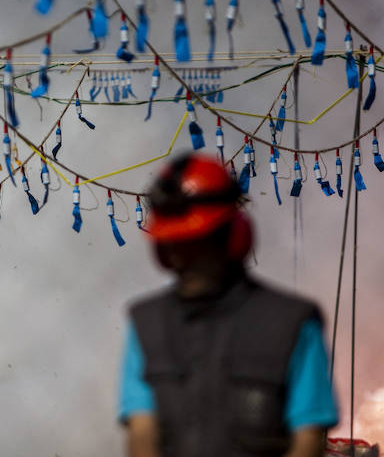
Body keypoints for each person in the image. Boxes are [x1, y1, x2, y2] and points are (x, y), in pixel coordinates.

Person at [118, 153, 338, 457]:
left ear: (233, 236)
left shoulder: (293, 323)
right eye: (175, 245)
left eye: (197, 243)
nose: (184, 258)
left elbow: (308, 441)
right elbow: (142, 437)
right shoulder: (146, 324)